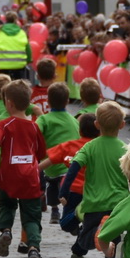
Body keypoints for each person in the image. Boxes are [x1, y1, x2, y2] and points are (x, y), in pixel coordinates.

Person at [64, 102, 129, 258]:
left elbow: (74, 166)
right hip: (118, 205)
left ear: (96, 125)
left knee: (85, 239)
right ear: (122, 125)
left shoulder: (89, 147)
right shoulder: (125, 149)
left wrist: (63, 192)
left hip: (93, 204)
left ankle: (93, 237)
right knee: (114, 242)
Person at [0, 80, 47, 258]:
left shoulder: (4, 124)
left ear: (9, 103)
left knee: (7, 205)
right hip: (29, 177)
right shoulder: (34, 127)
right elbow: (40, 153)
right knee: (31, 217)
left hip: (8, 176)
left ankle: (6, 231)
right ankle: (33, 249)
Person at [35, 83, 79, 223]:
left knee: (51, 187)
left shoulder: (44, 119)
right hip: (68, 164)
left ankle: (54, 210)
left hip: (50, 163)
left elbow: (35, 132)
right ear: (67, 101)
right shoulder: (74, 121)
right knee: (65, 191)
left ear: (48, 101)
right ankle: (70, 213)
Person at [0, 12, 31, 81]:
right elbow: (27, 48)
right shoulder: (21, 32)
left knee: (3, 86)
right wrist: (29, 60)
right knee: (18, 86)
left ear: (5, 20)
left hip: (2, 65)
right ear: (16, 20)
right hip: (19, 64)